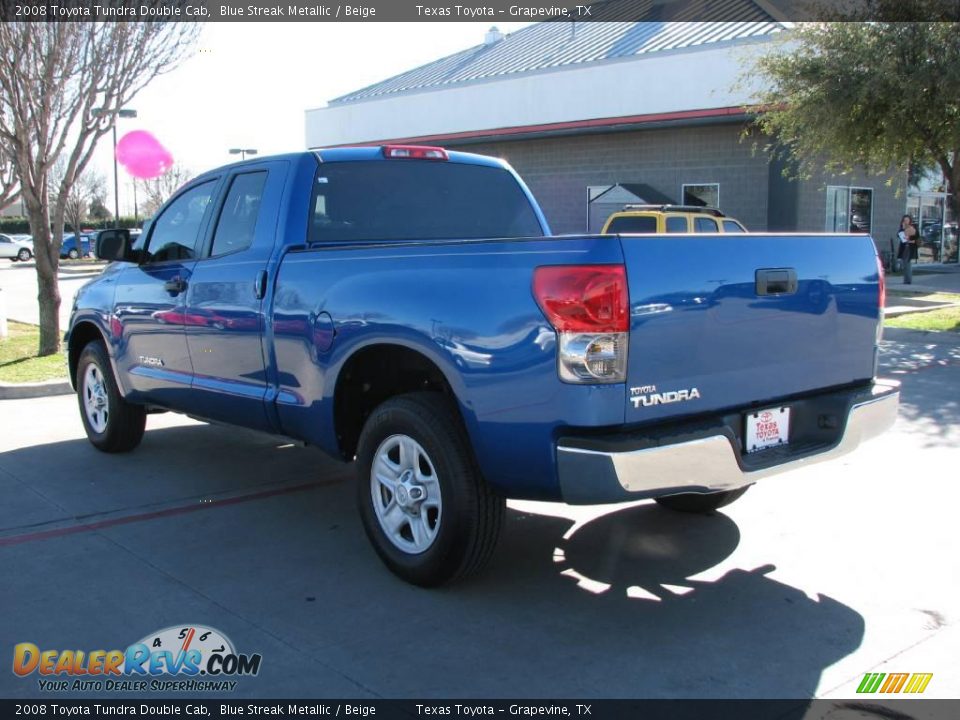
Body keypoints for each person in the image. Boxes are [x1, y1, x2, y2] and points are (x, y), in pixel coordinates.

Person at [897, 214, 919, 284]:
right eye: (904, 220)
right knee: (904, 263)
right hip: (904, 248)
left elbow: (916, 237)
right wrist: (903, 229)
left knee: (908, 263)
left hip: (910, 247)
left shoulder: (912, 228)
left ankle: (908, 280)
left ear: (910, 221)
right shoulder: (902, 228)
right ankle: (906, 280)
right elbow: (898, 235)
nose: (906, 221)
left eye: (907, 220)